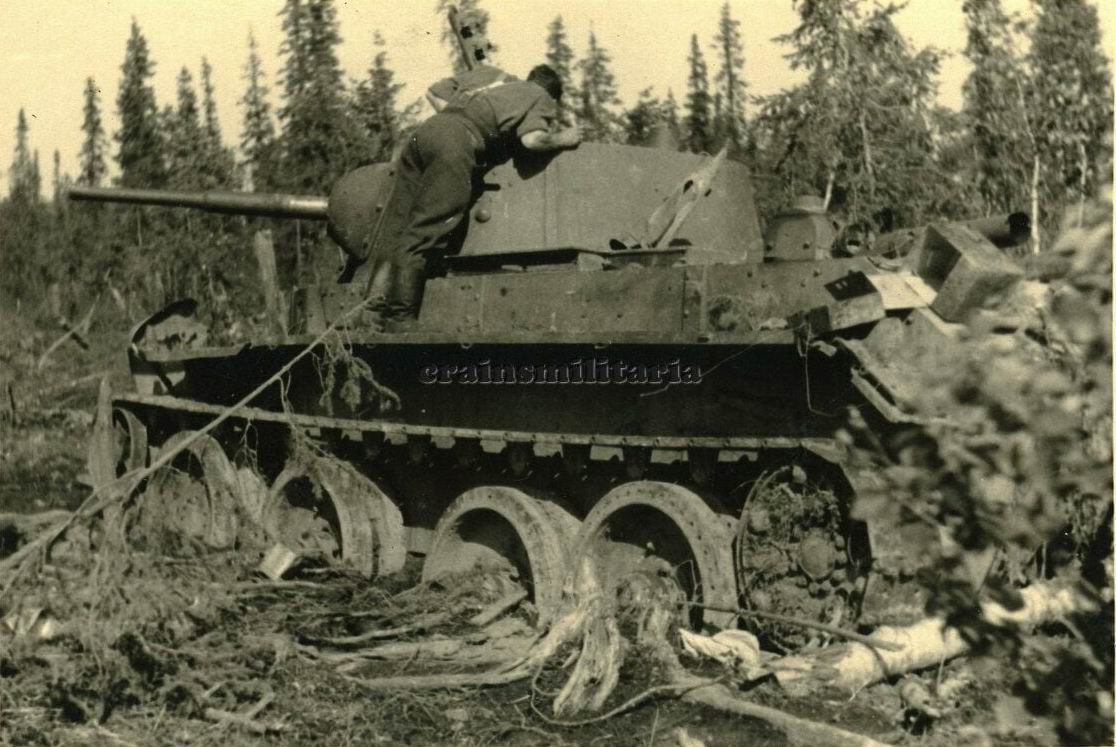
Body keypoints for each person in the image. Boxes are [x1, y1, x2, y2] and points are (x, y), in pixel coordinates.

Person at [371, 64, 580, 324]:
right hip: (455, 145)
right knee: (427, 229)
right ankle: (399, 317)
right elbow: (532, 140)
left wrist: (456, 124)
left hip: (425, 134)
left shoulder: (496, 78)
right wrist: (565, 138)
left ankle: (369, 312)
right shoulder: (541, 96)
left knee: (396, 226)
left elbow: (434, 93)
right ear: (553, 96)